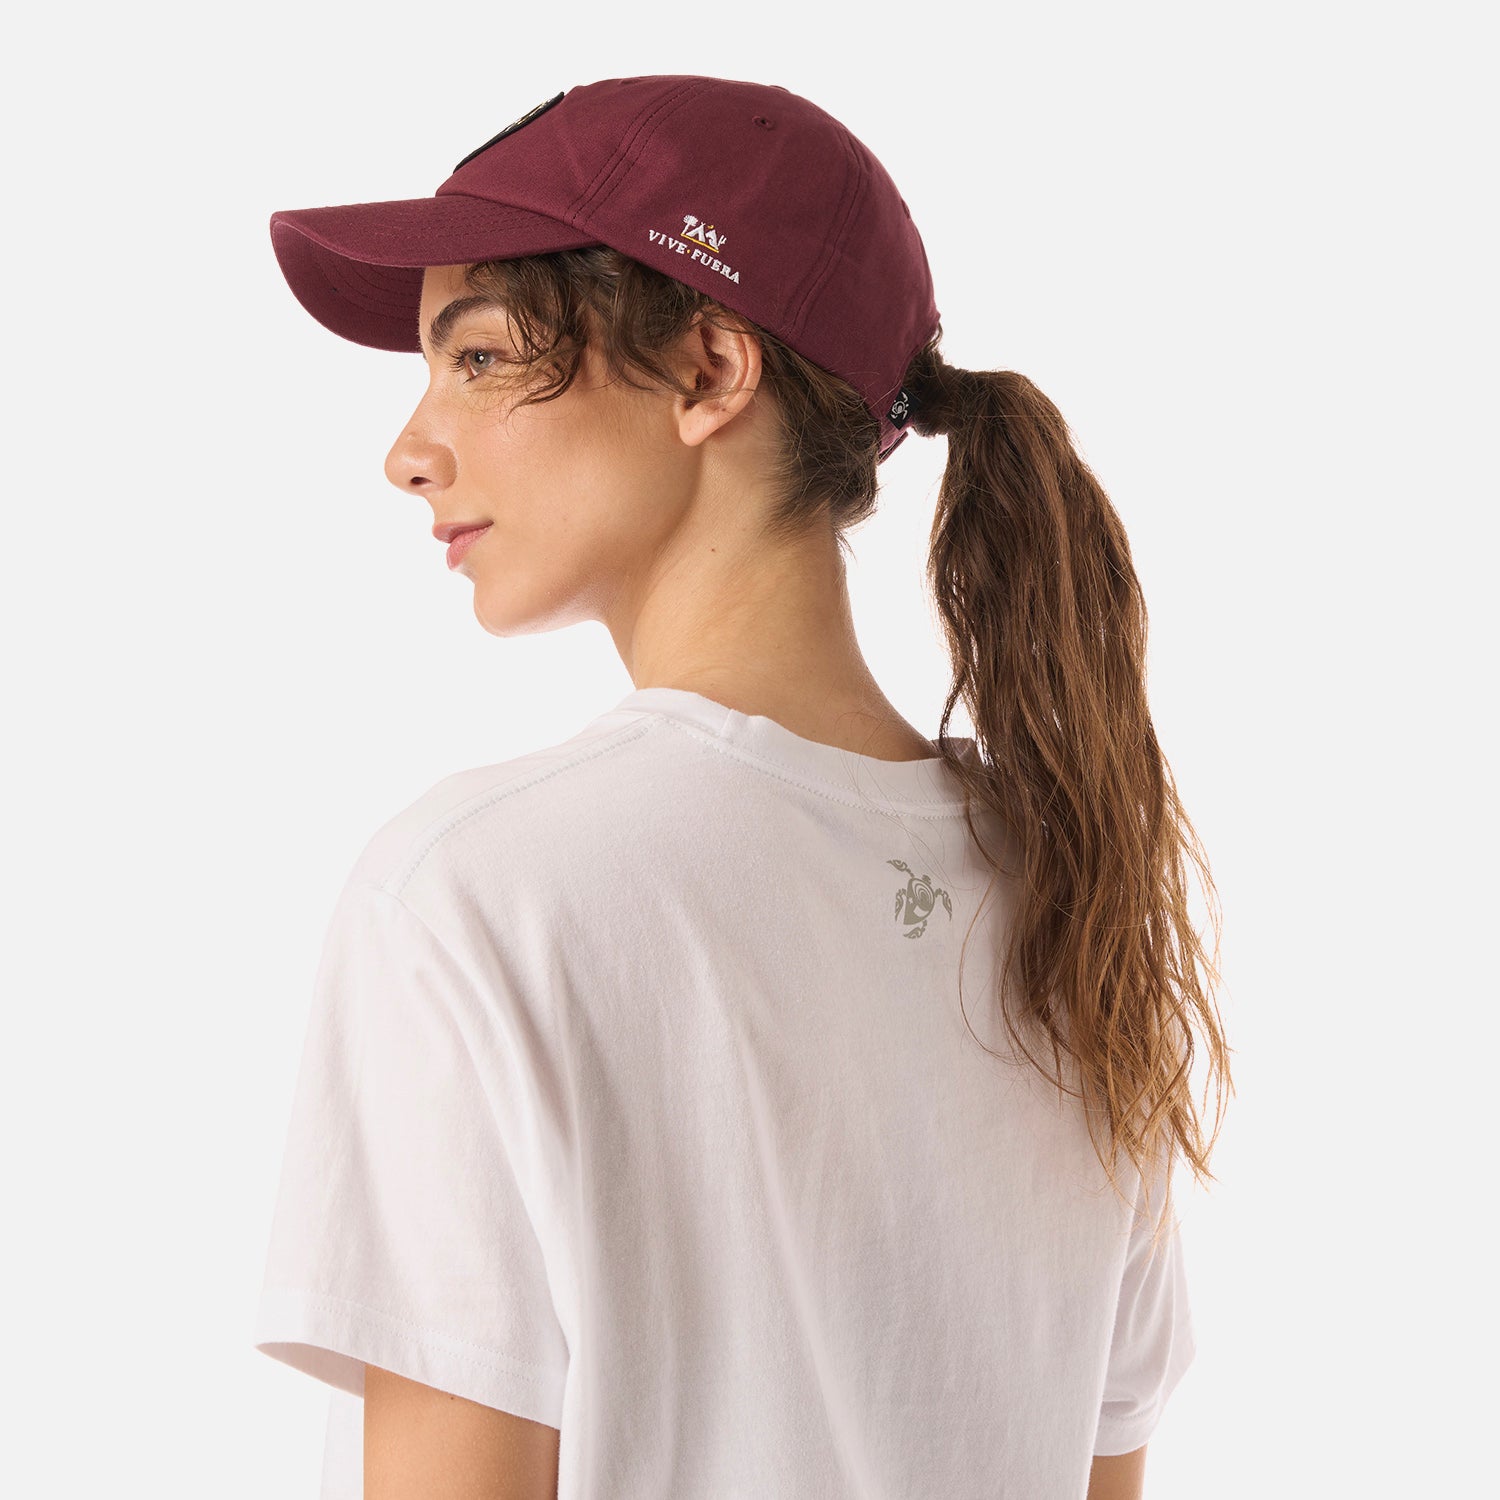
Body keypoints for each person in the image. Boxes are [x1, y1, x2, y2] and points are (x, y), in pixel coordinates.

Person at [252, 73, 1232, 1500]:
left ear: (712, 370)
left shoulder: (473, 899)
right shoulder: (1070, 892)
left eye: (479, 357)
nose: (409, 451)